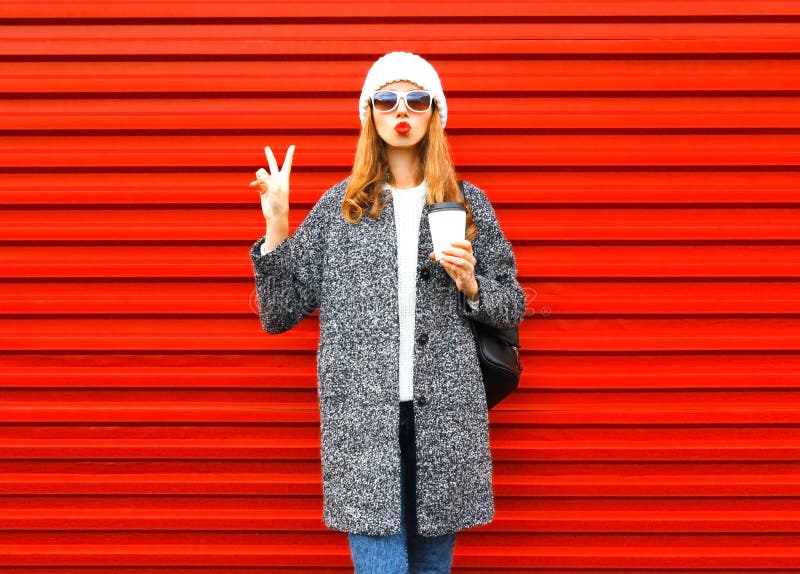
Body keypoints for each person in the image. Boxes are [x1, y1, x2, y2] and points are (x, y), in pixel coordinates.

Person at [249, 51, 526, 573]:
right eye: (386, 98)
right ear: (369, 114)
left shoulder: (468, 204)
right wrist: (278, 226)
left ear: (434, 114)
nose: (402, 110)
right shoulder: (340, 207)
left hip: (445, 419)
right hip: (361, 424)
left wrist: (470, 282)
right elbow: (280, 312)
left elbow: (513, 303)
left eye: (417, 99)